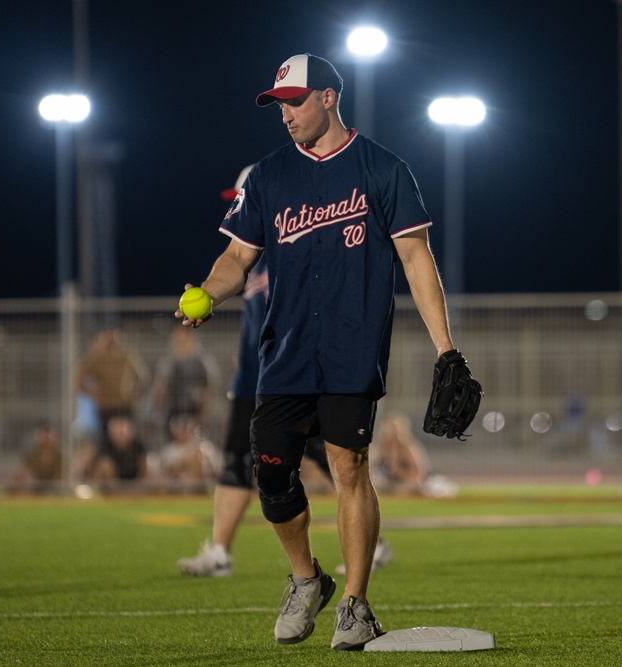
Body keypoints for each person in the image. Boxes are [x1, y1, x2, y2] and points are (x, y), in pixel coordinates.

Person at [174, 53, 467, 651]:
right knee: (273, 473)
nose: (286, 114)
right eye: (279, 105)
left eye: (297, 101)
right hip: (284, 352)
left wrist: (446, 348)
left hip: (352, 350)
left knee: (349, 467)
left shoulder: (382, 169)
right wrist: (207, 291)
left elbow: (416, 257)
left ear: (329, 98)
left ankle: (357, 604)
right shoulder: (270, 176)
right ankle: (307, 578)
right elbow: (237, 258)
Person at [178, 166, 391, 577]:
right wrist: (209, 293)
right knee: (239, 461)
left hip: (301, 377)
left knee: (340, 464)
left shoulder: (297, 251)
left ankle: (371, 545)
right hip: (255, 380)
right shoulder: (247, 260)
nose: (238, 215)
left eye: (242, 203)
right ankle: (221, 551)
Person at [75, 326, 149, 450]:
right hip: (107, 407)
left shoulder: (127, 357)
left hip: (125, 406)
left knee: (129, 441)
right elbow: (78, 379)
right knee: (107, 443)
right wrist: (95, 396)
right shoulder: (97, 359)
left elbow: (142, 377)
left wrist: (136, 394)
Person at [151, 325, 220, 441]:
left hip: (195, 414)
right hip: (173, 413)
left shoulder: (203, 362)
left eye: (183, 339)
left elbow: (209, 390)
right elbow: (159, 388)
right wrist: (158, 412)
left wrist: (200, 417)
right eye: (177, 339)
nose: (180, 342)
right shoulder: (168, 362)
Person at [75, 414, 148, 492]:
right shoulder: (105, 446)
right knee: (105, 465)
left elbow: (144, 468)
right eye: (118, 431)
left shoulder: (138, 447)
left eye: (123, 430)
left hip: (134, 484)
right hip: (111, 487)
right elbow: (97, 469)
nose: (121, 433)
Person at [370, 413, 430, 495]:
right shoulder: (381, 448)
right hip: (388, 483)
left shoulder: (409, 448)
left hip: (408, 482)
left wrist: (398, 471)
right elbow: (373, 468)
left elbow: (419, 474)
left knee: (404, 489)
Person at [9, 421, 63, 495]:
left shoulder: (60, 456)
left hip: (55, 492)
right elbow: (21, 474)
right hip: (35, 492)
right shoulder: (32, 455)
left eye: (48, 435)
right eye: (43, 435)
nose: (46, 439)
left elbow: (61, 479)